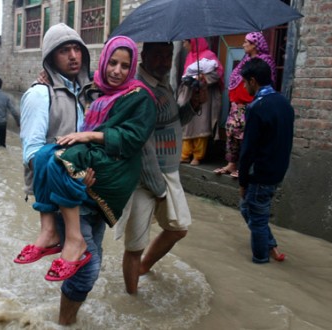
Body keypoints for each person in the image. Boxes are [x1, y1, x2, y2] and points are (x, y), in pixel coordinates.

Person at [25, 36, 156, 284]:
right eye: (112, 63)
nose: (117, 71)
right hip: (76, 183)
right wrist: (45, 79)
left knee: (87, 269)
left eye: (125, 66)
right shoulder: (91, 88)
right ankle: (49, 232)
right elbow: (32, 151)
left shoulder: (135, 95)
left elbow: (133, 138)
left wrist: (88, 135)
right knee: (44, 155)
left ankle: (73, 240)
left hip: (104, 169)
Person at [16, 23, 100, 325]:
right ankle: (64, 323)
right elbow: (32, 153)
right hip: (62, 194)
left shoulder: (87, 93)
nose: (74, 55)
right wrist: (71, 172)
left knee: (89, 258)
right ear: (50, 58)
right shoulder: (40, 95)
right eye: (64, 50)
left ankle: (68, 316)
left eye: (77, 48)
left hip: (91, 190)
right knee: (88, 267)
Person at [115, 42, 207, 295]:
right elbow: (141, 145)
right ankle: (132, 299)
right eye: (158, 56)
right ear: (144, 56)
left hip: (168, 172)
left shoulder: (164, 83)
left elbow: (174, 121)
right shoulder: (139, 90)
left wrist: (194, 105)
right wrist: (157, 186)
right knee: (134, 245)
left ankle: (144, 267)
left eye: (168, 56)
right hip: (143, 177)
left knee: (178, 229)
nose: (164, 61)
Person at [238, 58, 294, 263]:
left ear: (253, 81)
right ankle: (270, 246)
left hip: (261, 173)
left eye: (245, 82)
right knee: (247, 208)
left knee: (258, 218)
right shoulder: (284, 103)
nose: (244, 86)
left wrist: (243, 181)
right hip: (277, 170)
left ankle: (261, 259)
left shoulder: (257, 107)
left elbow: (248, 150)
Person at [214, 32, 277, 178]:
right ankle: (231, 164)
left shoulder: (265, 62)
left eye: (246, 42)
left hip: (252, 106)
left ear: (255, 44)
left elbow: (267, 82)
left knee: (247, 136)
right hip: (237, 106)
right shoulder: (245, 60)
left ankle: (244, 167)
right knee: (231, 134)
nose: (243, 45)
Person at [178, 38, 224, 166]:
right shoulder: (189, 57)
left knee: (200, 124)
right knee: (187, 124)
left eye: (185, 42)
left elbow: (217, 74)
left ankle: (198, 156)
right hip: (189, 93)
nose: (183, 45)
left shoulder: (209, 56)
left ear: (192, 42)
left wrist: (203, 77)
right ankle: (185, 154)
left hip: (203, 94)